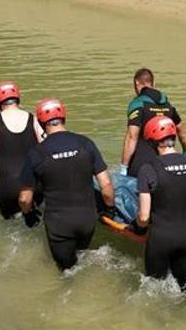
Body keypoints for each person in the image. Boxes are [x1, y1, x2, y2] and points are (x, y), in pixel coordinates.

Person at [19, 98, 116, 271]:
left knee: (67, 274)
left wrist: (28, 215)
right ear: (64, 117)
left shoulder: (36, 153)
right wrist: (109, 208)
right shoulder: (86, 144)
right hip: (87, 221)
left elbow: (25, 198)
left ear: (41, 124)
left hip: (59, 226)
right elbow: (106, 184)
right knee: (84, 260)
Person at [129, 116, 186, 291]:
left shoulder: (148, 169)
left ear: (151, 141)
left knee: (154, 290)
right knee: (184, 288)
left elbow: (143, 216)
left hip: (160, 239)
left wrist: (136, 227)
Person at [0, 81, 45, 225]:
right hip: (34, 187)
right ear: (18, 99)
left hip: (7, 189)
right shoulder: (34, 120)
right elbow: (49, 148)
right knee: (37, 223)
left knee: (9, 228)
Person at [120, 68, 186, 178]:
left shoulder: (137, 104)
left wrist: (123, 167)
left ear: (136, 83)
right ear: (153, 83)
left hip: (141, 167)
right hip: (166, 164)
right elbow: (182, 133)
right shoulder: (167, 105)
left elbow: (131, 137)